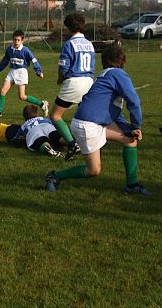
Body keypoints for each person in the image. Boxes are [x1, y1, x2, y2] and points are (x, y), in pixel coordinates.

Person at [45, 45, 150, 195]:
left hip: (93, 122)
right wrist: (136, 124)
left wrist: (129, 129)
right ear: (123, 61)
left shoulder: (105, 75)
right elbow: (133, 101)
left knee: (130, 139)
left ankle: (132, 186)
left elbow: (111, 110)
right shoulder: (117, 74)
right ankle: (54, 176)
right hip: (88, 126)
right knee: (93, 170)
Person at [49, 13, 96, 161]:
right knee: (84, 117)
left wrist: (60, 78)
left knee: (55, 116)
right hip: (89, 82)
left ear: (68, 28)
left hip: (74, 82)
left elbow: (63, 67)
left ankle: (72, 144)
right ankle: (92, 143)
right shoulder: (89, 43)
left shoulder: (69, 44)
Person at [0, 30, 48, 118]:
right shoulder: (9, 49)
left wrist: (38, 71)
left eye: (18, 40)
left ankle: (42, 104)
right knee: (2, 91)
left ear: (22, 40)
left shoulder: (25, 50)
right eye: (14, 40)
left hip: (21, 72)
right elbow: (4, 61)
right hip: (12, 71)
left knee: (22, 96)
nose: (16, 42)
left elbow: (34, 60)